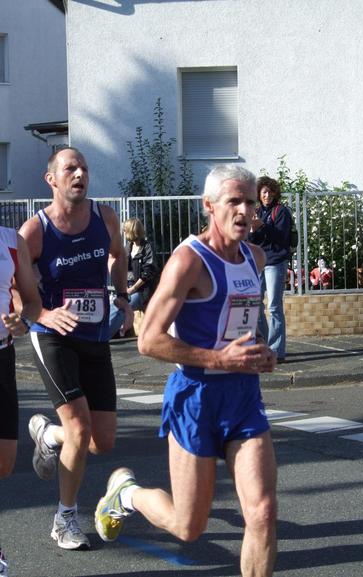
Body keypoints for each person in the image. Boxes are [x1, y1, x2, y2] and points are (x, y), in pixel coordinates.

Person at [94, 165, 278, 577]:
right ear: (209, 206)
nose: (245, 211)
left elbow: (241, 327)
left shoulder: (255, 257)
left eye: (250, 202)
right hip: (195, 397)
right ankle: (126, 494)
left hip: (244, 397)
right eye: (234, 201)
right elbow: (148, 340)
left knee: (263, 512)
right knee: (188, 526)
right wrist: (218, 360)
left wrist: (260, 352)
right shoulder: (189, 261)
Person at [19, 146, 133, 551]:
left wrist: (123, 296)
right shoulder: (35, 231)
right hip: (52, 335)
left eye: (83, 167)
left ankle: (49, 435)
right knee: (80, 428)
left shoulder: (105, 217)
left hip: (94, 334)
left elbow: (118, 255)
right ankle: (65, 519)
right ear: (51, 179)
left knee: (102, 441)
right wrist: (42, 313)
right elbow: (13, 284)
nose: (80, 173)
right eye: (70, 168)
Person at [0, 226, 42, 577]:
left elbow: (32, 301)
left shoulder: (12, 242)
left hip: (2, 355)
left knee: (4, 461)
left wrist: (23, 321)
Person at [249, 176, 294, 362]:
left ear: (275, 193)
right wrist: (253, 230)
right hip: (259, 262)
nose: (267, 195)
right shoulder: (257, 212)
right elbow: (254, 241)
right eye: (264, 192)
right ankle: (264, 346)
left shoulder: (281, 211)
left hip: (275, 262)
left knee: (274, 306)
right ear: (259, 194)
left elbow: (281, 236)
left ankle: (276, 351)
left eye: (270, 192)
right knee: (256, 305)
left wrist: (263, 225)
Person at [108, 217, 159, 339]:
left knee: (123, 307)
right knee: (114, 304)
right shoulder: (128, 247)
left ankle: (105, 334)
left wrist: (133, 289)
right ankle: (106, 332)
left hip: (142, 290)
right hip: (128, 288)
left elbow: (149, 272)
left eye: (125, 230)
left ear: (132, 230)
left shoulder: (147, 247)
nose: (124, 232)